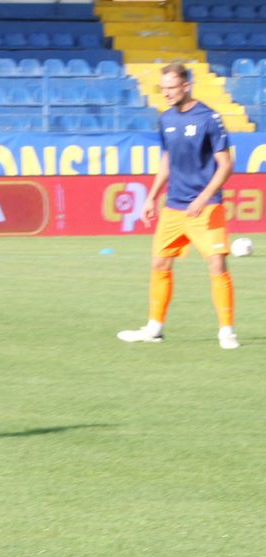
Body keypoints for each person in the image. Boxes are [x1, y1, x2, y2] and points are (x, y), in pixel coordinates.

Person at [118, 61, 238, 350]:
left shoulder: (209, 118)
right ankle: (154, 328)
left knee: (217, 262)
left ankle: (227, 331)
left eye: (172, 88)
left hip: (206, 206)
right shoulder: (166, 119)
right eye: (163, 88)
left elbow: (226, 165)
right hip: (174, 207)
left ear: (187, 86)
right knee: (160, 262)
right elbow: (167, 159)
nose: (167, 93)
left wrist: (203, 198)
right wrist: (151, 196)